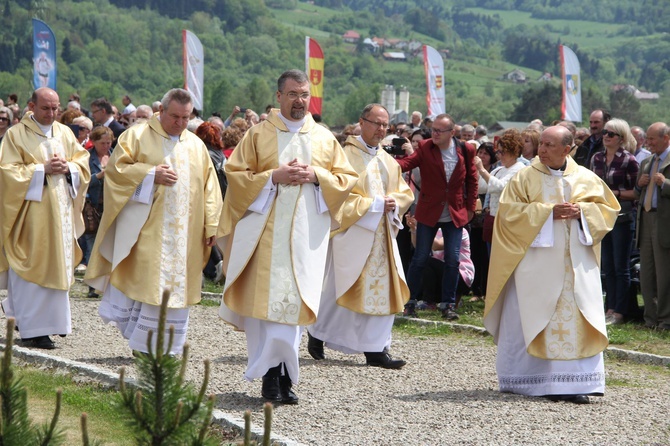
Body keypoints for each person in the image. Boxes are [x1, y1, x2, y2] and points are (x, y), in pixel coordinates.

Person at [217, 70, 357, 405]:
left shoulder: (324, 138)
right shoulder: (258, 135)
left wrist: (317, 175)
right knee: (268, 310)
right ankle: (270, 378)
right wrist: (272, 177)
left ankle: (286, 376)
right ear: (279, 96)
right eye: (293, 94)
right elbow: (235, 175)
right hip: (266, 237)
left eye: (305, 94)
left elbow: (347, 178)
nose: (299, 101)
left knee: (294, 310)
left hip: (305, 239)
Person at [484, 125, 619, 404]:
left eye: (549, 145)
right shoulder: (524, 178)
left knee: (577, 316)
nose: (541, 149)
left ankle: (576, 382)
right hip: (537, 269)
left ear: (567, 149)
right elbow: (508, 215)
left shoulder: (586, 178)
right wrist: (547, 213)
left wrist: (582, 211)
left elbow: (608, 209)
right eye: (541, 143)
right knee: (538, 315)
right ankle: (540, 381)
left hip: (577, 268)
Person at [84, 88, 223, 355]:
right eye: (175, 117)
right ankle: (143, 345)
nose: (180, 123)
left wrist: (212, 225)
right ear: (161, 112)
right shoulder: (136, 136)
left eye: (185, 117)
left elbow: (210, 189)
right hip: (147, 231)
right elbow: (115, 172)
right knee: (149, 285)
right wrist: (149, 174)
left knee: (175, 292)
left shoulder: (195, 145)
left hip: (187, 235)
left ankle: (169, 349)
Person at [307, 103, 413, 369]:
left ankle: (376, 348)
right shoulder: (344, 157)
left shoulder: (388, 160)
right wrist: (375, 205)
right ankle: (318, 331)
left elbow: (404, 193)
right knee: (339, 288)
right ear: (361, 122)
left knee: (382, 289)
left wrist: (392, 203)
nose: (381, 130)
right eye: (376, 123)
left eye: (385, 125)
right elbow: (336, 194)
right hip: (352, 232)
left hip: (382, 236)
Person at [0, 87, 91, 349]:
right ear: (31, 106)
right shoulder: (16, 135)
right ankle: (31, 330)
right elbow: (7, 173)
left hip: (60, 215)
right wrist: (42, 169)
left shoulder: (64, 132)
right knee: (31, 269)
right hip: (31, 218)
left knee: (56, 266)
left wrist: (71, 168)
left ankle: (53, 324)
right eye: (45, 108)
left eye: (55, 108)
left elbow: (81, 161)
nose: (51, 113)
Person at [396, 114, 478, 319]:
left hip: (455, 213)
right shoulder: (425, 146)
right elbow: (408, 163)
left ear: (452, 132)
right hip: (429, 210)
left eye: (440, 131)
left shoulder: (465, 149)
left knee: (452, 259)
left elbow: (472, 180)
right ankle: (410, 302)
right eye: (433, 129)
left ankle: (448, 305)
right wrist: (387, 162)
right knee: (420, 257)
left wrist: (469, 208)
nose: (435, 134)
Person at [590, 119, 639, 325]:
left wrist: (614, 193)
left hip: (622, 218)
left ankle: (619, 310)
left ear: (621, 138)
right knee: (607, 266)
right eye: (605, 133)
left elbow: (636, 192)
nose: (606, 136)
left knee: (621, 267)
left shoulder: (629, 160)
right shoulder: (596, 158)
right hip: (602, 217)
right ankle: (609, 307)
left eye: (611, 133)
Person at [635, 122, 670, 330]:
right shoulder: (647, 162)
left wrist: (664, 183)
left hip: (664, 222)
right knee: (646, 273)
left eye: (652, 139)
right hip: (646, 220)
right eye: (647, 138)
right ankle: (650, 319)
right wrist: (639, 185)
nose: (648, 142)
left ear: (666, 138)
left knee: (664, 273)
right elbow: (639, 194)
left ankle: (665, 320)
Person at [475, 129, 526, 253]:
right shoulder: (498, 170)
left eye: (502, 152)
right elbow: (482, 188)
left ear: (513, 152)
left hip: (506, 222)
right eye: (498, 152)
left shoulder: (520, 169)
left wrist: (481, 169)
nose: (499, 155)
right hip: (492, 219)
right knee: (489, 258)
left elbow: (501, 187)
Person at [79, 126, 114, 296]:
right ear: (94, 141)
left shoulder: (116, 156)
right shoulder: (87, 157)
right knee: (93, 248)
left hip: (112, 209)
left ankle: (108, 285)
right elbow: (82, 181)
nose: (106, 146)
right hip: (93, 209)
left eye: (109, 142)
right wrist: (99, 176)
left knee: (110, 247)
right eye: (103, 143)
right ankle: (93, 286)